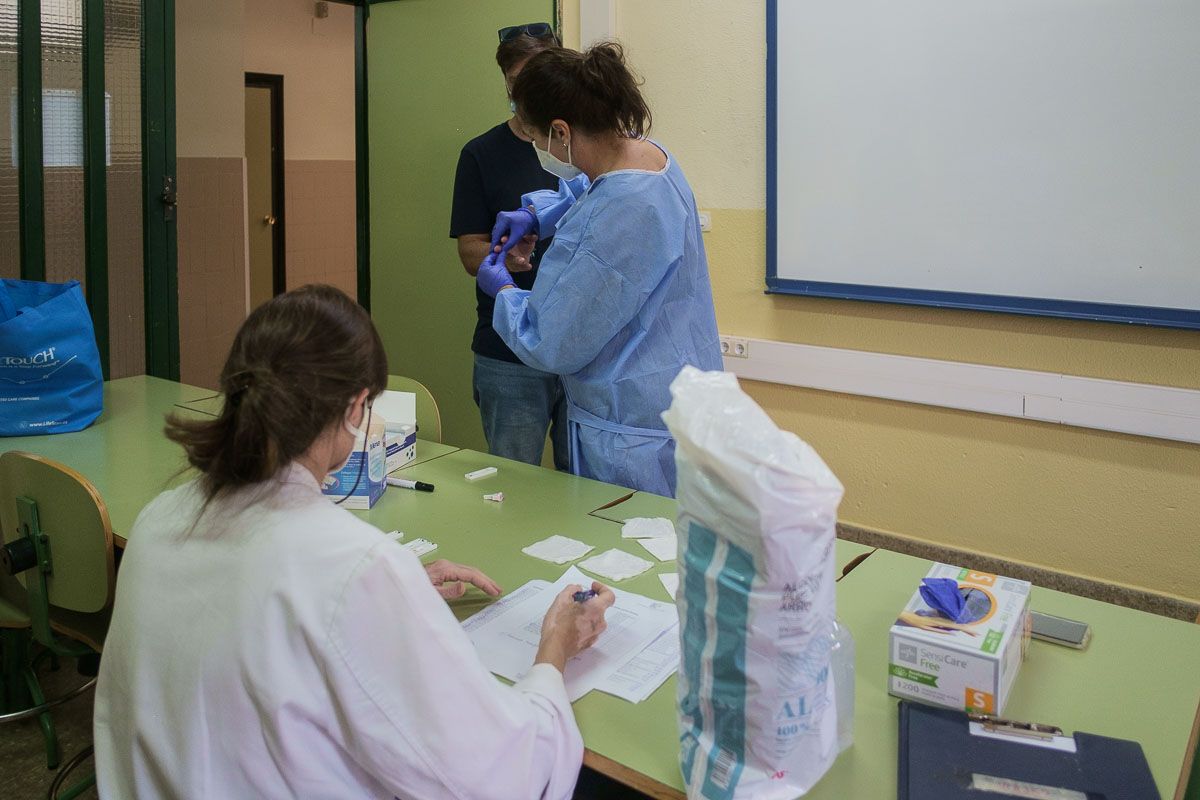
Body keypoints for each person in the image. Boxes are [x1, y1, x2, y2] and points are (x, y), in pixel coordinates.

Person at [93, 285, 614, 799]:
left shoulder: (161, 517)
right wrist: (556, 647)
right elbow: (501, 779)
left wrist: (394, 599)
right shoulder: (350, 566)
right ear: (355, 406)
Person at [477, 43, 722, 498]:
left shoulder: (620, 213)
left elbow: (552, 341)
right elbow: (593, 190)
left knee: (632, 554)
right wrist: (538, 215)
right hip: (680, 401)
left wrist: (506, 291)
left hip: (632, 432)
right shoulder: (650, 158)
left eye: (535, 139)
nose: (538, 149)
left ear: (561, 130)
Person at [450, 22, 569, 471]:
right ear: (507, 85)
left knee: (585, 490)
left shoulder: (577, 151)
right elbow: (469, 251)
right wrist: (503, 259)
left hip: (577, 346)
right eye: (519, 83)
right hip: (510, 355)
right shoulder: (481, 154)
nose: (530, 93)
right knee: (516, 483)